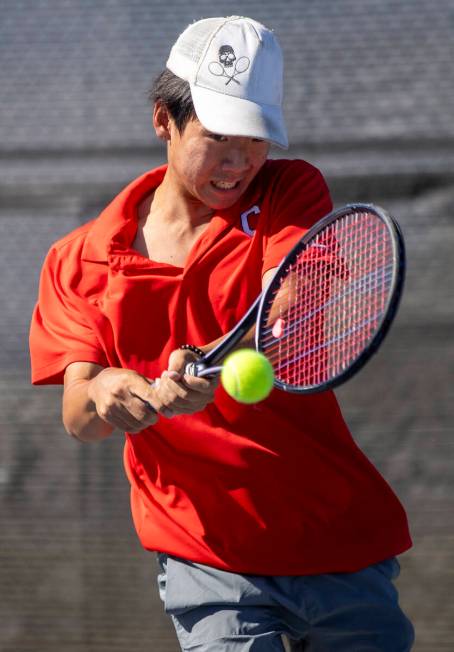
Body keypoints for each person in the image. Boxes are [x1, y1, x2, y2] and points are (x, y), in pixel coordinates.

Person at [30, 15, 414, 651]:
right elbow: (79, 412)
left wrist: (246, 339)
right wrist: (116, 394)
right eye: (218, 138)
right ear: (164, 119)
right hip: (205, 556)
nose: (240, 162)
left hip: (335, 538)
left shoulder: (289, 188)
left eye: (255, 137)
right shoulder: (78, 260)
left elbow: (289, 300)